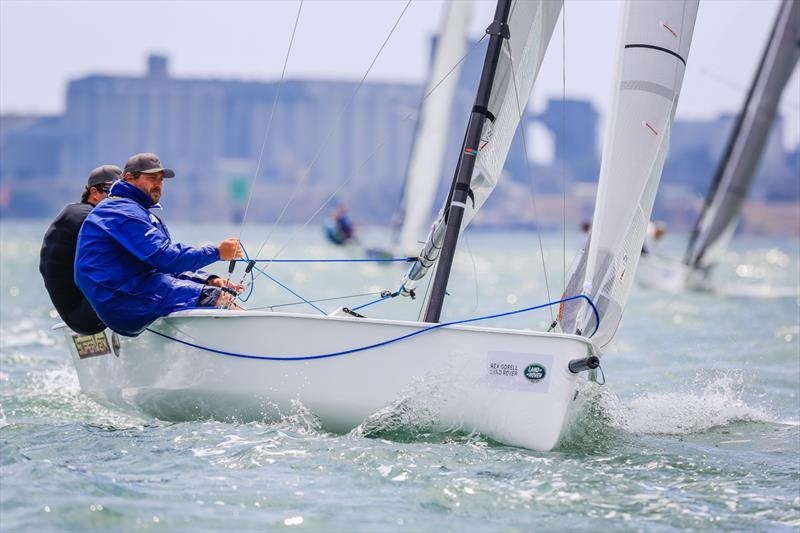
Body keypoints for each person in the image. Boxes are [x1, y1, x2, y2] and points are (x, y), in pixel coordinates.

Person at [74, 153, 243, 337]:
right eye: (151, 178)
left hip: (131, 293)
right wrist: (217, 252)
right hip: (124, 300)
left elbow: (161, 265)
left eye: (161, 180)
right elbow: (165, 258)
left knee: (215, 290)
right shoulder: (121, 212)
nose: (158, 184)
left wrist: (207, 279)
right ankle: (251, 349)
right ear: (129, 178)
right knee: (219, 297)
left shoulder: (131, 210)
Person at [39, 165, 121, 334]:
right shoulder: (89, 218)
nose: (119, 200)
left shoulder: (74, 212)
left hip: (78, 316)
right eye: (113, 193)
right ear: (94, 192)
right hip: (86, 317)